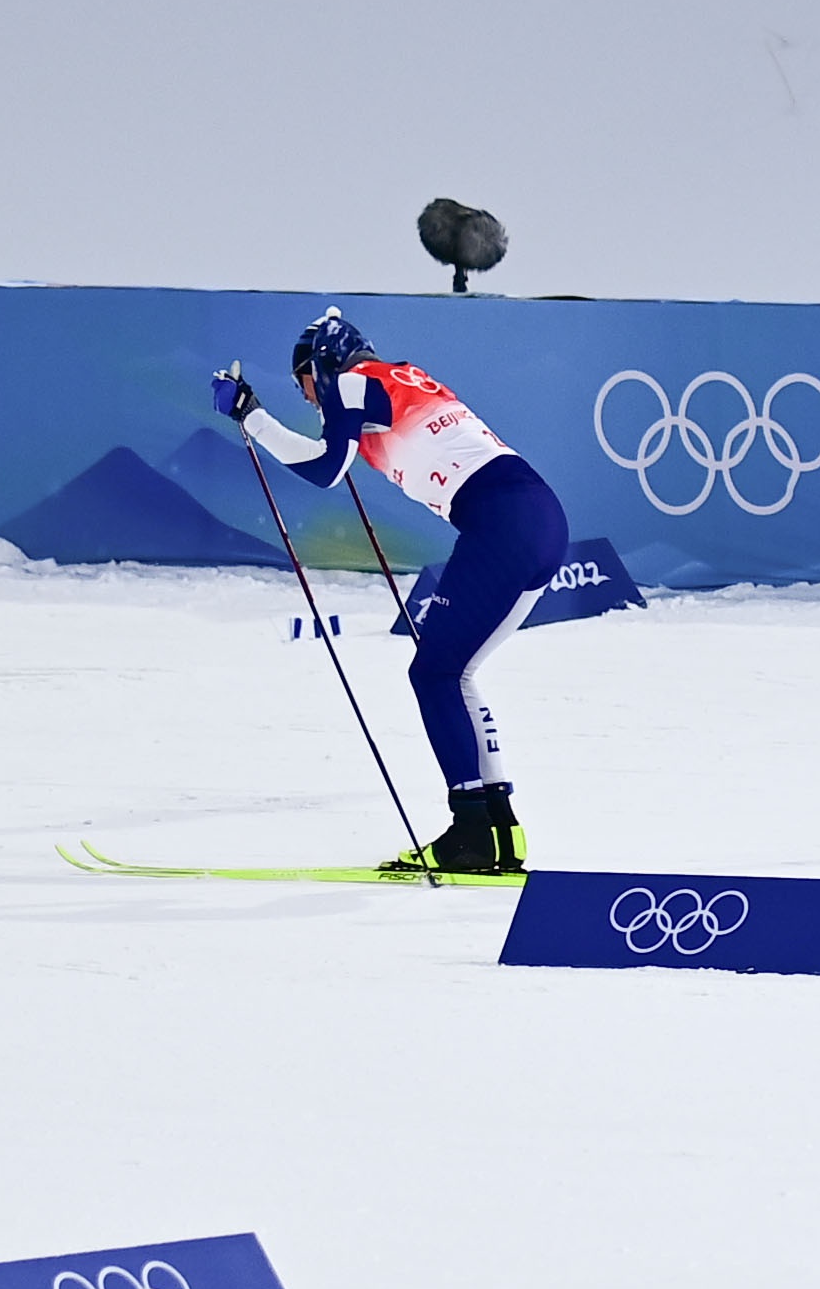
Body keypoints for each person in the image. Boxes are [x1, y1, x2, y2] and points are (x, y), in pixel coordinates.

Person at [214, 312, 567, 874]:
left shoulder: (351, 383)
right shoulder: (397, 377)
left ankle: (471, 832)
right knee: (455, 673)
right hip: (538, 517)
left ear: (323, 366)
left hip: (503, 523)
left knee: (433, 673)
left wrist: (249, 414)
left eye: (303, 382)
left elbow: (328, 467)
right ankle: (499, 831)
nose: (307, 397)